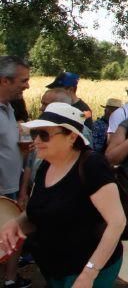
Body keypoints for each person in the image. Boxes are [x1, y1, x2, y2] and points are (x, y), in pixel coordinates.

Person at [2, 102, 126, 287]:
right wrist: (16, 223)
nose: (36, 141)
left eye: (44, 135)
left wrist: (89, 274)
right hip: (55, 268)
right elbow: (39, 210)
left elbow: (117, 222)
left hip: (87, 269)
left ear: (71, 137)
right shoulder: (46, 164)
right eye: (36, 134)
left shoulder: (92, 166)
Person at [0, 56, 30, 288]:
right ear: (4, 81)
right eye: (23, 80)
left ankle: (9, 281)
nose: (27, 85)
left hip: (9, 189)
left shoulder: (9, 109)